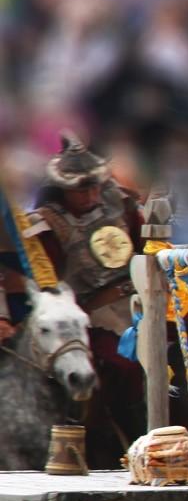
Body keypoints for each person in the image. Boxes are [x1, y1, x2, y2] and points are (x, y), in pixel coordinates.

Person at [0, 134, 145, 450]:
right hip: (86, 316)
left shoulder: (124, 206)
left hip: (140, 304)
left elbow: (148, 250)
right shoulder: (44, 227)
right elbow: (45, 282)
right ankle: (131, 437)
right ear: (63, 189)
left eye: (95, 186)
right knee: (121, 366)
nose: (91, 194)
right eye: (81, 189)